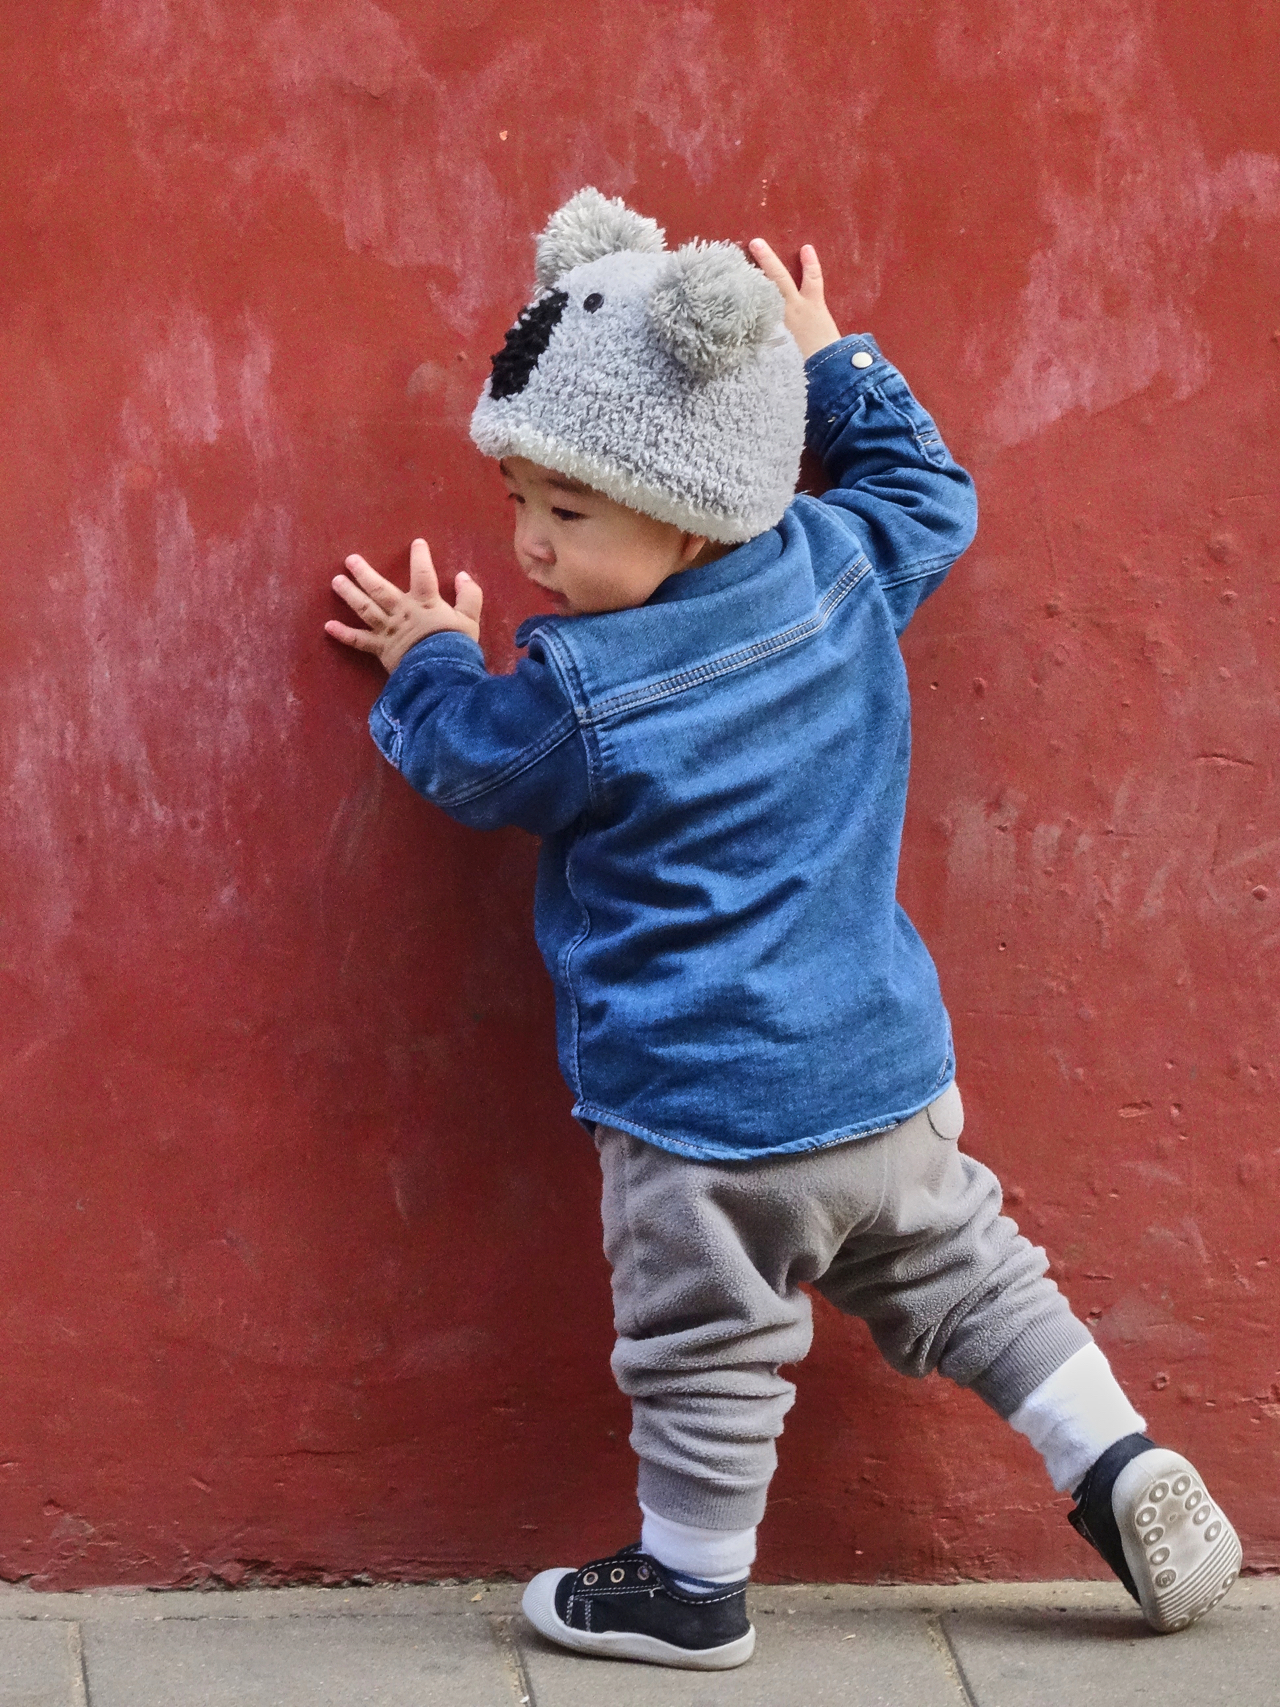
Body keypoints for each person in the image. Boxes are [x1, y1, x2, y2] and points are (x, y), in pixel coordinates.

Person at [325, 188, 1241, 1671]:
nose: (532, 546)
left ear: (692, 516)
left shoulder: (584, 695)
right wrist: (834, 365)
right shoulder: (844, 566)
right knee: (973, 1274)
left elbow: (480, 766)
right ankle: (1115, 1456)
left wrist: (429, 659)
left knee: (708, 1344)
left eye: (570, 514)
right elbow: (931, 492)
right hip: (884, 1074)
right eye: (518, 501)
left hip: (705, 1121)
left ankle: (692, 1587)